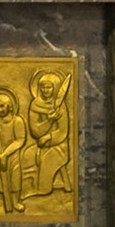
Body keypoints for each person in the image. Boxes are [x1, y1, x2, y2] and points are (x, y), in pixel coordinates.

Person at [0, 89, 29, 214]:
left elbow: (20, 140)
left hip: (12, 157)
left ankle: (15, 202)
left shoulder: (17, 121)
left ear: (10, 106)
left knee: (15, 179)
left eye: (2, 106)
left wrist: (5, 154)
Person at [26, 69, 73, 197]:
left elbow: (63, 131)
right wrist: (49, 120)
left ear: (55, 88)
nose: (46, 91)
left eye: (49, 87)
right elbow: (35, 131)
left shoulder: (60, 106)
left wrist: (48, 137)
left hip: (59, 146)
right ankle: (25, 188)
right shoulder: (35, 104)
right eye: (43, 87)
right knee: (26, 156)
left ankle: (43, 189)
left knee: (48, 160)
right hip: (39, 144)